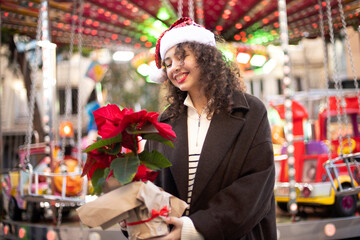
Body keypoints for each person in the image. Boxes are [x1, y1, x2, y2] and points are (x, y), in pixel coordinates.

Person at [145, 17, 277, 240]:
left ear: (206, 56)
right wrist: (133, 213)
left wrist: (193, 228)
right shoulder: (164, 122)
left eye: (182, 56)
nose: (174, 67)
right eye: (167, 63)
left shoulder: (251, 111)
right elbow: (153, 186)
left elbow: (255, 186)